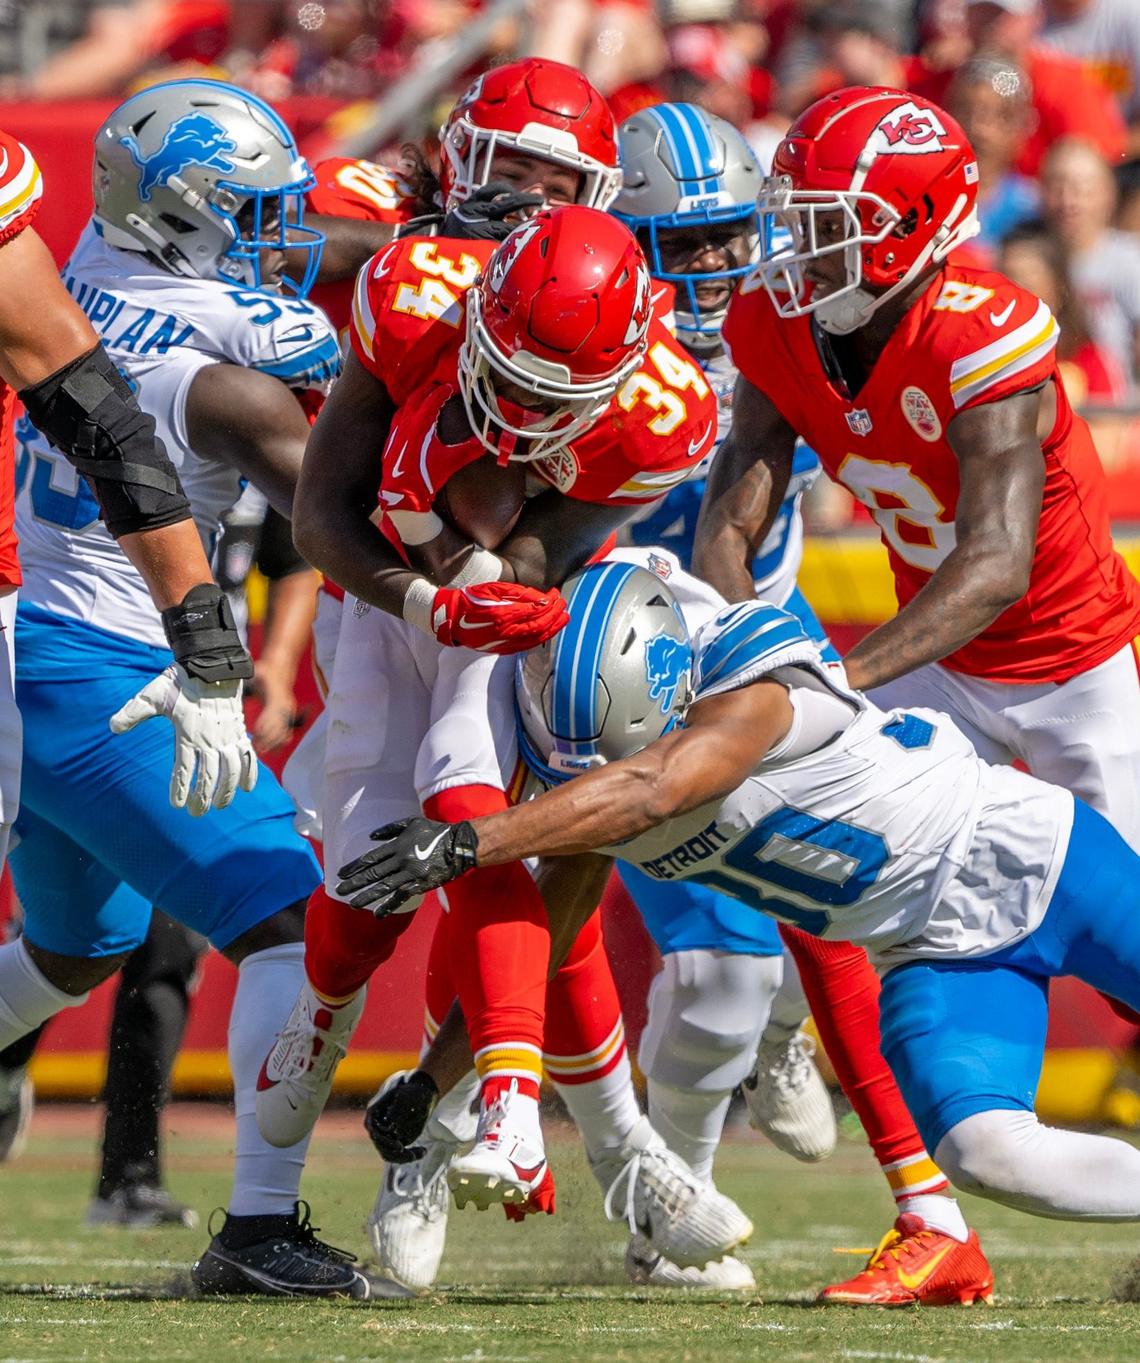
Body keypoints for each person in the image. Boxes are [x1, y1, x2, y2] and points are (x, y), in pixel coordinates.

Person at [337, 560, 1140, 1270]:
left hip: (1034, 853)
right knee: (983, 1150)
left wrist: (468, 841)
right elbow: (547, 932)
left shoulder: (751, 675)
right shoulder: (613, 772)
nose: (583, 775)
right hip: (932, 951)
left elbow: (655, 787)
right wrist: (433, 1080)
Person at [256, 201, 750, 1282]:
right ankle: (334, 1019)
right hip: (380, 593)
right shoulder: (414, 295)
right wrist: (431, 595)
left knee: (488, 818)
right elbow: (323, 518)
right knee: (374, 863)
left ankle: (513, 1110)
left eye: (552, 401)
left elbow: (530, 553)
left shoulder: (664, 411)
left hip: (520, 605)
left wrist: (488, 583)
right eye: (508, 380)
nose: (519, 416)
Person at [598, 100, 996, 1304]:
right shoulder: (587, 333)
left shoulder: (797, 327)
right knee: (717, 984)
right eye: (689, 243)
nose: (721, 265)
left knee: (852, 892)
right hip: (617, 671)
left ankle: (791, 1049)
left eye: (735, 236)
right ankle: (643, 1186)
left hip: (767, 644)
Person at [0, 78, 371, 1299]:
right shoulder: (229, 383)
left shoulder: (81, 266)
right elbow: (355, 524)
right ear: (182, 218)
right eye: (251, 215)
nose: (279, 240)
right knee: (292, 926)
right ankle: (259, 1229)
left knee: (77, 948)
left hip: (37, 650)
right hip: (111, 669)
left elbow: (288, 266)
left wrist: (439, 241)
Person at [694, 86, 1140, 871]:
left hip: (1069, 662)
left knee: (1126, 914)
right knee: (856, 871)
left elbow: (997, 564)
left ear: (906, 227)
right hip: (934, 662)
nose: (800, 247)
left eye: (827, 225)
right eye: (797, 219)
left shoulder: (977, 335)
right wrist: (750, 651)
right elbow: (730, 521)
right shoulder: (778, 321)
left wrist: (841, 675)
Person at [1039, 136, 1140, 388]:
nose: (1068, 201)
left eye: (1082, 188)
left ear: (1108, 194)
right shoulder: (1025, 259)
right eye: (1057, 186)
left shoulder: (1130, 261)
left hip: (1114, 403)